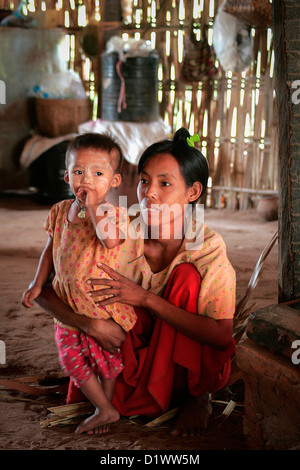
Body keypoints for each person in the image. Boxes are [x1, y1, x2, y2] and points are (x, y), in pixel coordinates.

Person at [35, 127, 236, 437]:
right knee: (103, 383)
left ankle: (198, 396)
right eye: (144, 181)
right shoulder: (115, 231)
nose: (148, 193)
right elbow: (44, 292)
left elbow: (221, 337)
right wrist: (87, 324)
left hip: (186, 363)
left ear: (193, 192)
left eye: (164, 183)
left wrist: (145, 298)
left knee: (186, 279)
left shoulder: (205, 247)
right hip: (127, 352)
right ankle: (130, 398)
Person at [21, 132, 137, 434]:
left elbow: (109, 240)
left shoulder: (114, 214)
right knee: (71, 358)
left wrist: (96, 207)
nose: (86, 180)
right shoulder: (60, 211)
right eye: (78, 172)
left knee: (106, 361)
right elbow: (50, 249)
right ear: (66, 176)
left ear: (113, 181)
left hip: (101, 304)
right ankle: (105, 408)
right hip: (68, 302)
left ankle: (105, 406)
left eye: (98, 173)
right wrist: (37, 283)